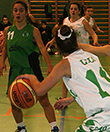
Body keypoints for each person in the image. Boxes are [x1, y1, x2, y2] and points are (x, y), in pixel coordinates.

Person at [16, 25, 110, 132]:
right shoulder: (91, 56)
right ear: (75, 40)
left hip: (104, 118)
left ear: (57, 46)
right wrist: (72, 99)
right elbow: (94, 85)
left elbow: (40, 90)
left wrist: (32, 78)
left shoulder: (64, 65)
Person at [0, 1, 59, 132]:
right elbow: (5, 48)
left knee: (44, 101)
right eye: (15, 10)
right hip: (15, 71)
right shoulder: (7, 30)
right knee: (14, 101)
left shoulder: (33, 30)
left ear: (26, 13)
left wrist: (50, 65)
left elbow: (42, 49)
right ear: (12, 13)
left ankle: (54, 127)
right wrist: (2, 62)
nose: (18, 13)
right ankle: (21, 127)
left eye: (21, 10)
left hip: (31, 70)